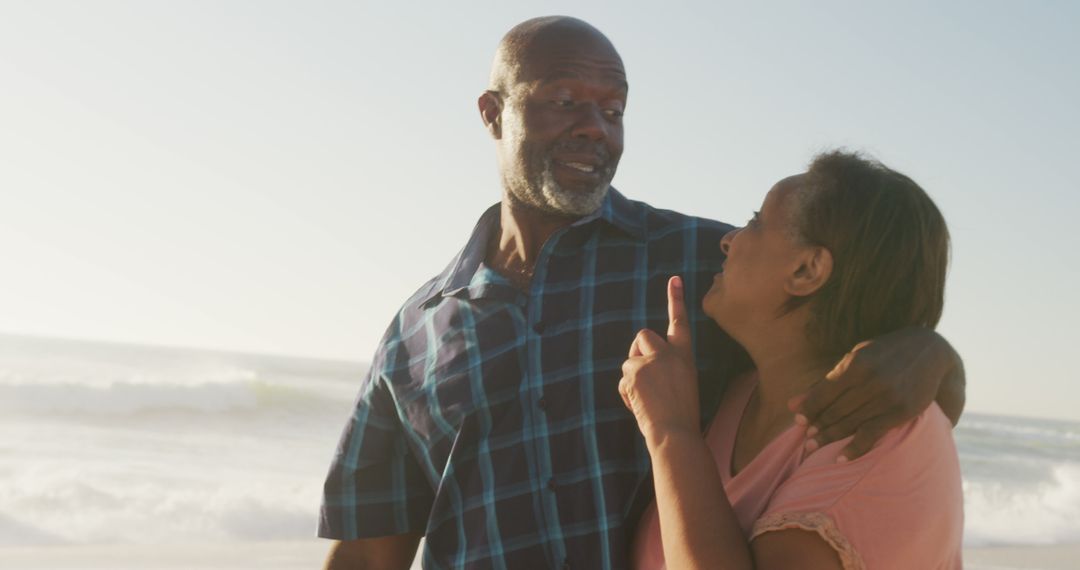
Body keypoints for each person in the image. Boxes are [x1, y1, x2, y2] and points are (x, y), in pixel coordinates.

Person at [318, 17, 965, 570]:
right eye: (564, 100)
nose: (595, 127)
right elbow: (366, 555)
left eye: (613, 109)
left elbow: (848, 316)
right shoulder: (415, 334)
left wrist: (929, 351)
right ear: (493, 112)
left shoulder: (699, 267)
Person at [622, 152, 963, 569]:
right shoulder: (740, 394)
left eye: (755, 221)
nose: (727, 240)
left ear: (807, 270)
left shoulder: (876, 436)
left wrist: (671, 432)